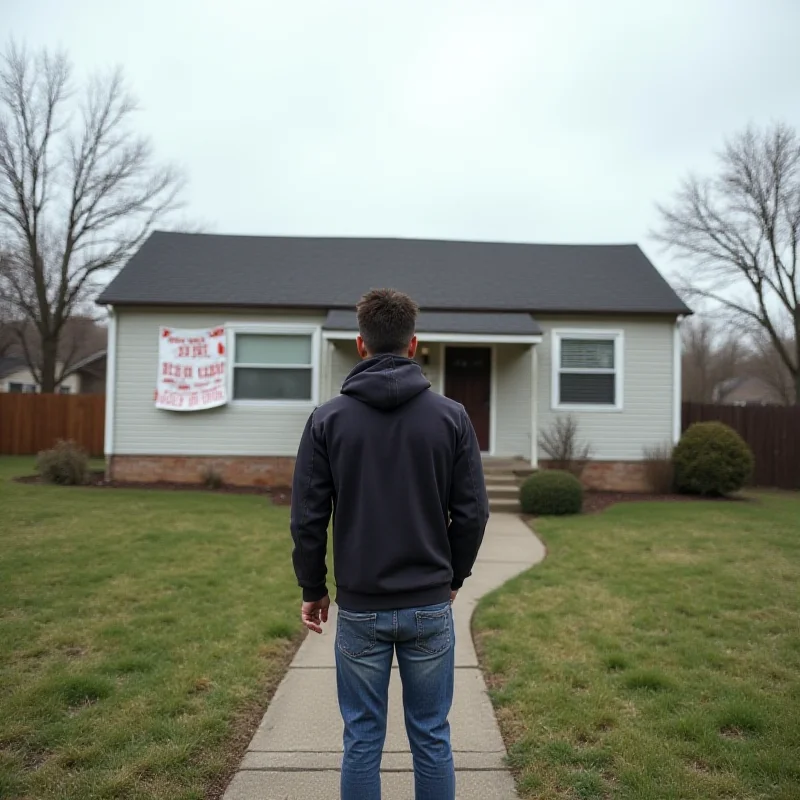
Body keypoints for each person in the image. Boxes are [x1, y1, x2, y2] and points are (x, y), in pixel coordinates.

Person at [290, 288, 489, 800]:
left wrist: (313, 588)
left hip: (360, 609)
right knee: (431, 735)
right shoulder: (452, 418)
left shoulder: (327, 420)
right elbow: (472, 513)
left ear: (361, 345)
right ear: (413, 344)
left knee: (361, 737)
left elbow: (309, 518)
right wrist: (453, 578)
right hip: (427, 603)